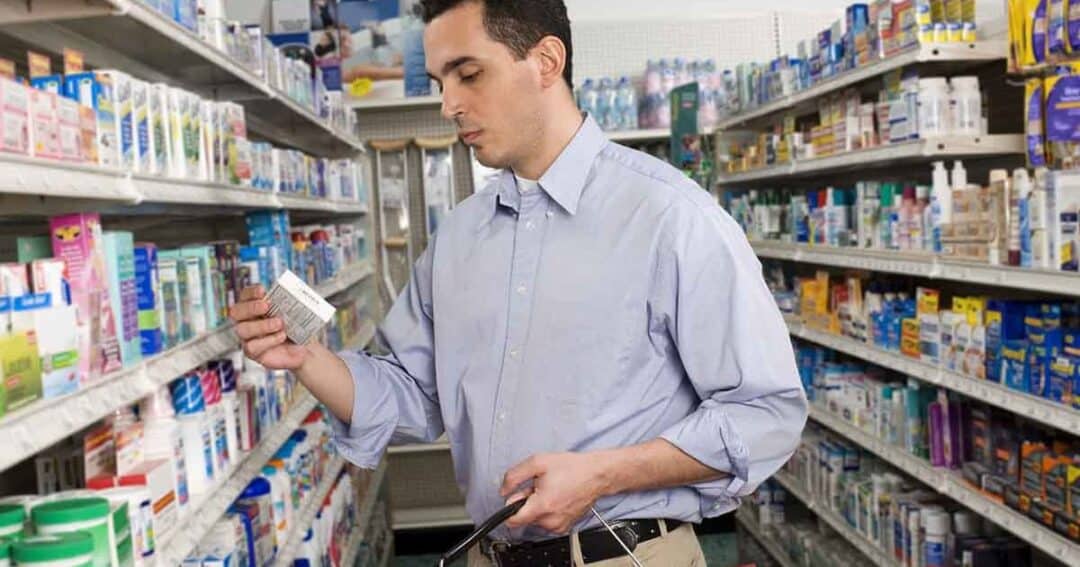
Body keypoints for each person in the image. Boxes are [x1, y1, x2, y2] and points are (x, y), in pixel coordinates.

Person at [229, 1, 808, 565]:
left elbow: (765, 412)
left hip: (624, 553)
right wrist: (304, 357)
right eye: (439, 82)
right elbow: (412, 393)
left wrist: (603, 474)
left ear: (547, 62)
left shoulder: (670, 217)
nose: (449, 105)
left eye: (469, 74)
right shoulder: (458, 239)